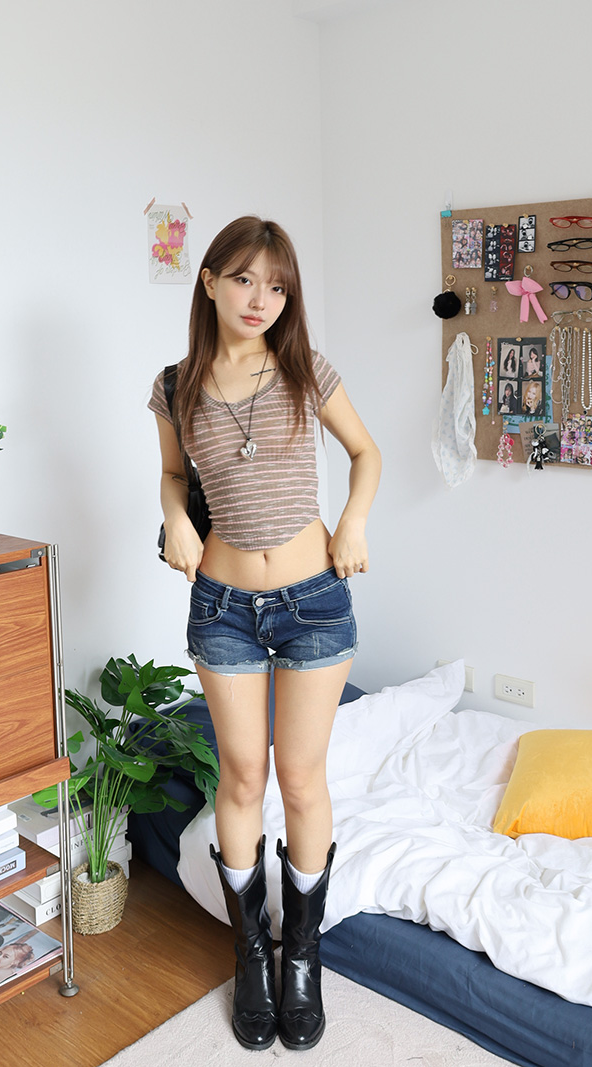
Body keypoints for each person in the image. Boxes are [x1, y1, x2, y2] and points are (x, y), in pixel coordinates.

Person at [150, 217, 380, 1053]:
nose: (261, 299)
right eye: (245, 279)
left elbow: (366, 452)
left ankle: (302, 955)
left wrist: (352, 522)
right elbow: (172, 473)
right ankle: (252, 953)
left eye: (277, 286)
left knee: (302, 777)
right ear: (209, 280)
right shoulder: (174, 384)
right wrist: (177, 518)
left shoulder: (304, 367)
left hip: (314, 601)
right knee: (243, 774)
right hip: (223, 607)